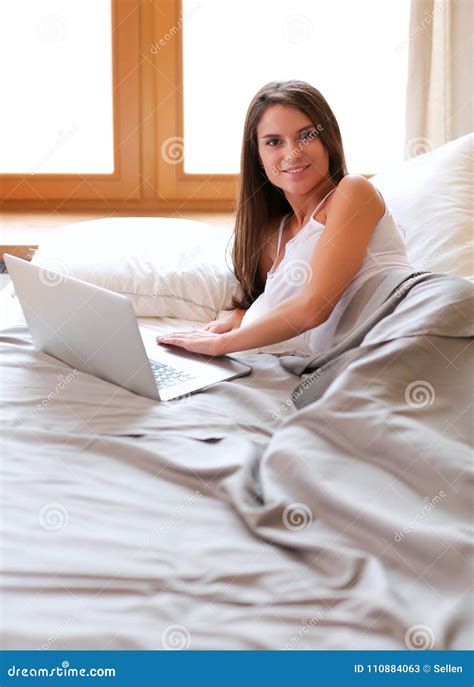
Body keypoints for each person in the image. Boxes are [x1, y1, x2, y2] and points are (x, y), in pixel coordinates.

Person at [157, 80, 413, 357]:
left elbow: (314, 307)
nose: (292, 152)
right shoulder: (271, 236)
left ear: (328, 142)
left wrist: (221, 345)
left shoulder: (353, 192)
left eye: (306, 136)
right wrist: (243, 313)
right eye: (274, 142)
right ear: (258, 156)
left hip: (411, 327)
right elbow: (277, 306)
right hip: (354, 362)